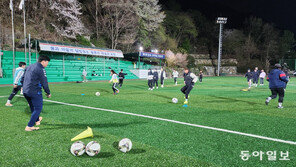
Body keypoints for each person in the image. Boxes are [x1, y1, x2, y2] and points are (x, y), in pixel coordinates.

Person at [22, 55, 51, 131]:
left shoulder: (29, 66)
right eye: (47, 62)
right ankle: (29, 126)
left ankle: (37, 120)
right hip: (34, 91)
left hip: (25, 90)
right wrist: (48, 92)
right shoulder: (41, 68)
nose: (47, 64)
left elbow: (23, 78)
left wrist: (23, 86)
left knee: (32, 106)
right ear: (43, 61)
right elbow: (44, 82)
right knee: (38, 108)